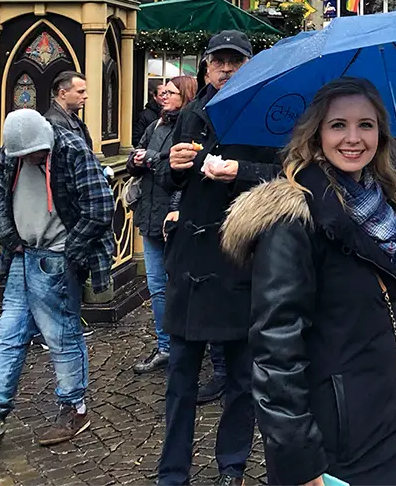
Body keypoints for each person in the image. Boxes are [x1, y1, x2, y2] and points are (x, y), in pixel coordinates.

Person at [220, 77, 396, 486]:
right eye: (339, 125)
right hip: (332, 433)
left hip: (378, 413)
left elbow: (383, 293)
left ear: (382, 133)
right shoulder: (295, 218)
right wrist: (300, 461)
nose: (353, 138)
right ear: (317, 133)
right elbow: (275, 348)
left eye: (366, 125)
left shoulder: (379, 202)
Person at [0, 108, 113, 450]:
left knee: (61, 336)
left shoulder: (73, 150)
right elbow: (2, 196)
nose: (30, 159)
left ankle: (74, 408)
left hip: (57, 258)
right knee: (8, 334)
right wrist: (8, 236)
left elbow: (100, 208)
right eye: (24, 155)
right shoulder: (12, 152)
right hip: (22, 255)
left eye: (35, 154)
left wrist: (70, 253)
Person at [158, 30, 280, 486]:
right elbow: (172, 182)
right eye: (219, 61)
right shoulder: (190, 113)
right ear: (206, 66)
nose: (227, 69)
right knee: (179, 382)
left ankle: (232, 465)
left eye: (236, 61)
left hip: (239, 263)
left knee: (242, 382)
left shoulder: (268, 114)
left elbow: (285, 175)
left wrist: (239, 173)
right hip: (190, 267)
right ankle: (172, 472)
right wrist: (172, 169)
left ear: (250, 65)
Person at [128, 75, 197, 374]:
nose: (163, 96)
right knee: (156, 286)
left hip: (173, 218)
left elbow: (182, 171)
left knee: (180, 285)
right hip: (149, 214)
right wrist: (140, 160)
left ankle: (189, 345)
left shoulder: (191, 127)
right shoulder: (156, 124)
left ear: (185, 95)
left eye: (170, 92)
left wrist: (152, 159)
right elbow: (134, 159)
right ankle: (165, 346)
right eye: (162, 92)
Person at [46, 70, 93, 151]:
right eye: (80, 92)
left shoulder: (74, 119)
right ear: (63, 94)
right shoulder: (52, 123)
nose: (86, 96)